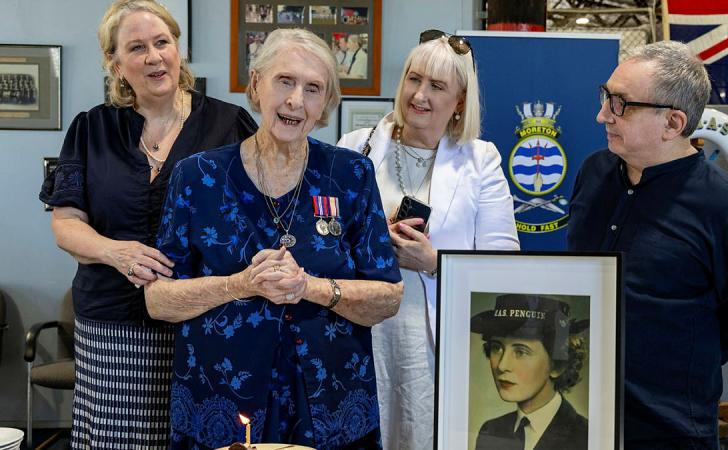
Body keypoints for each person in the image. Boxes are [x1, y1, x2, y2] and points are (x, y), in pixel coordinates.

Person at [144, 28, 403, 450]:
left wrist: (309, 287)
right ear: (255, 85)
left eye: (313, 89)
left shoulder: (351, 174)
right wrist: (240, 284)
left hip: (330, 403)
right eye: (285, 81)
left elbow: (388, 296)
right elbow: (158, 300)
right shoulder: (198, 176)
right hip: (222, 404)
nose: (296, 101)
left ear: (325, 105)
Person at [37, 1, 257, 448]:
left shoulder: (228, 125)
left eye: (162, 42)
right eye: (137, 48)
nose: (154, 56)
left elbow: (262, 214)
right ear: (114, 64)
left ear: (179, 48)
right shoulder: (91, 128)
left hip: (203, 323)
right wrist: (116, 251)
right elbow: (66, 224)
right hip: (111, 328)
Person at [567, 40, 728, 449]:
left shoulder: (727, 210)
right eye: (605, 97)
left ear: (673, 123)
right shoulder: (593, 172)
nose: (601, 115)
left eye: (620, 105)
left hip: (668, 425)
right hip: (577, 411)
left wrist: (687, 355)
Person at [337, 30, 519, 450]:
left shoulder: (482, 159)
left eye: (436, 86)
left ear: (459, 101)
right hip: (362, 333)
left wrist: (436, 262)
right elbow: (324, 245)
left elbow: (505, 264)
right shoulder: (353, 148)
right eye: (413, 79)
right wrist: (367, 239)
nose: (419, 95)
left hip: (436, 343)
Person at [471, 294, 588, 450]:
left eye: (521, 352)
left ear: (557, 366)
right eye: (497, 347)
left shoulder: (586, 437)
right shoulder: (491, 431)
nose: (502, 365)